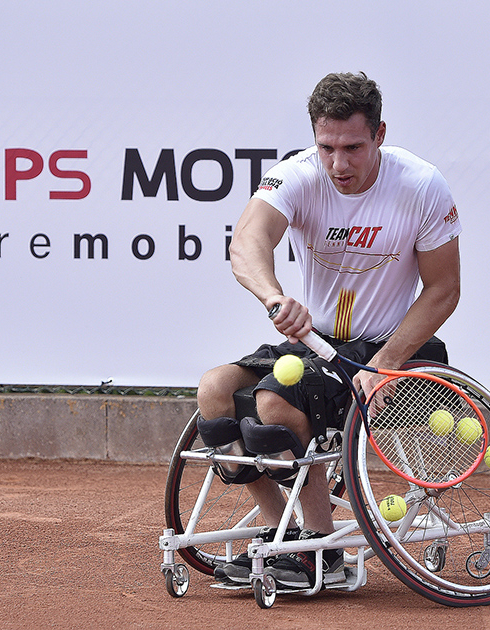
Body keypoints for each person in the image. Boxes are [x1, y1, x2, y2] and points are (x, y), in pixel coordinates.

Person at [196, 71, 461, 590]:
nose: (339, 164)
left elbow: (443, 289)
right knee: (213, 390)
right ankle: (285, 536)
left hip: (385, 350)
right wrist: (274, 298)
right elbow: (247, 242)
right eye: (326, 147)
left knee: (275, 404)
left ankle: (325, 557)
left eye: (353, 147)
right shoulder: (297, 176)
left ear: (379, 134)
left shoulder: (421, 186)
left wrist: (386, 362)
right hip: (313, 346)